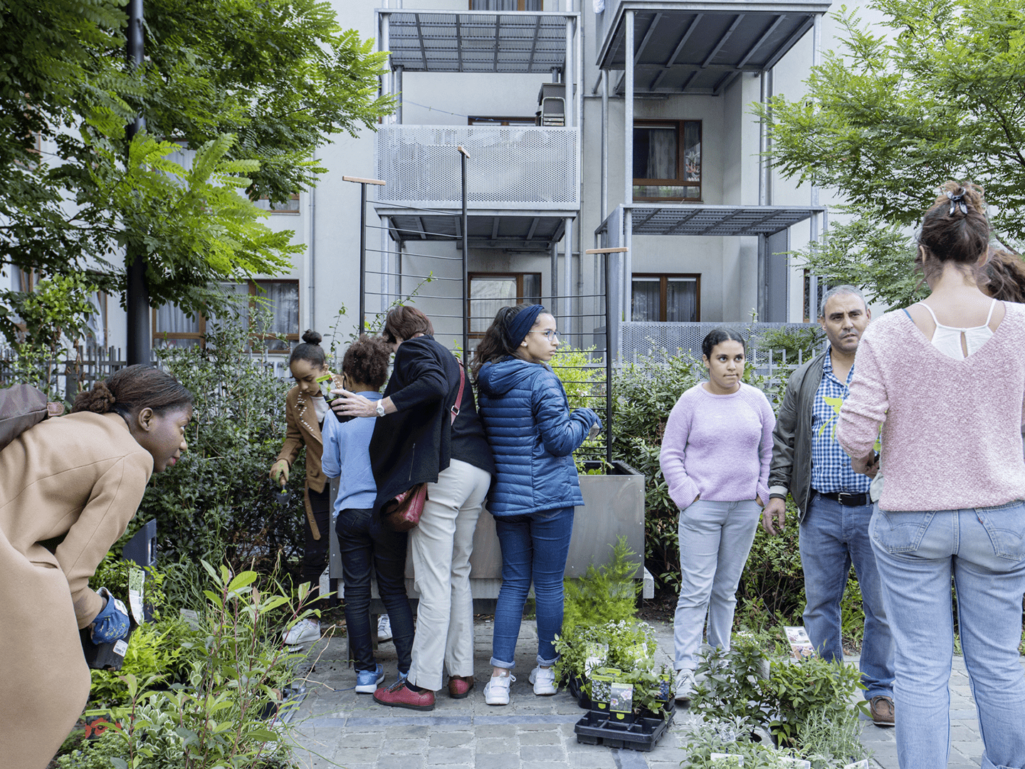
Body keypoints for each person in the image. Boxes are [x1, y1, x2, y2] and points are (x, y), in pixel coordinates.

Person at [838, 182, 1025, 769]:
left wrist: (870, 463)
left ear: (923, 254)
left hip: (912, 517)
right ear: (983, 251)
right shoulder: (1021, 326)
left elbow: (853, 431)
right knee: (998, 660)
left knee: (919, 665)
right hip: (999, 515)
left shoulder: (889, 330)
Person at [0, 365, 191, 769]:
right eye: (182, 427)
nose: (184, 443)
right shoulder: (131, 459)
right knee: (50, 698)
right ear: (146, 418)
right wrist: (101, 612)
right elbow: (71, 578)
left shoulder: (80, 425)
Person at [331, 306, 496, 710]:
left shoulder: (413, 351)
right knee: (458, 574)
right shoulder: (451, 357)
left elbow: (432, 386)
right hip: (478, 470)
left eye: (389, 344)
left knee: (434, 580)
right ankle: (460, 674)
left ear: (394, 337)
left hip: (447, 472)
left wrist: (377, 407)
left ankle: (421, 684)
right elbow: (443, 391)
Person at [761, 285, 896, 727]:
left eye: (854, 314)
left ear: (869, 316)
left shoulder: (889, 372)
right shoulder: (804, 377)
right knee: (820, 605)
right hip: (819, 509)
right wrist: (778, 492)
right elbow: (784, 441)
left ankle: (879, 690)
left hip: (877, 510)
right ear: (823, 324)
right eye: (836, 317)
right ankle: (826, 686)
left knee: (881, 607)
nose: (847, 324)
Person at [473, 304, 602, 706]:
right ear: (524, 338)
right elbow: (560, 441)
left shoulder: (488, 379)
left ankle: (498, 677)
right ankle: (546, 671)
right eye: (549, 333)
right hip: (550, 497)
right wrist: (585, 417)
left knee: (513, 583)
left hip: (509, 499)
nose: (556, 342)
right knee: (547, 584)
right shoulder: (541, 381)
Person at [659, 328, 775, 703]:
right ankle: (686, 670)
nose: (732, 366)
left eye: (738, 358)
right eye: (723, 358)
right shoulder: (691, 402)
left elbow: (771, 451)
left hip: (744, 509)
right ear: (707, 360)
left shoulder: (757, 400)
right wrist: (688, 496)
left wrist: (761, 491)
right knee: (696, 591)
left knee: (726, 591)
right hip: (702, 509)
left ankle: (719, 662)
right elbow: (670, 454)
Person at [322, 335, 414, 693]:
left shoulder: (339, 412)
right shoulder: (394, 409)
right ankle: (406, 670)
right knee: (393, 590)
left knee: (356, 592)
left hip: (351, 515)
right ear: (383, 373)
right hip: (389, 512)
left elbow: (331, 469)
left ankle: (365, 672)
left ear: (347, 374)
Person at [269, 329, 341, 648]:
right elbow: (294, 438)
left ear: (324, 368)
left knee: (366, 548)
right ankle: (309, 618)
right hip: (319, 483)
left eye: (308, 378)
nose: (303, 386)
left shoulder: (346, 388)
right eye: (297, 379)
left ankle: (381, 615)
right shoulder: (294, 398)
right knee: (314, 552)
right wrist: (283, 461)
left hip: (353, 482)